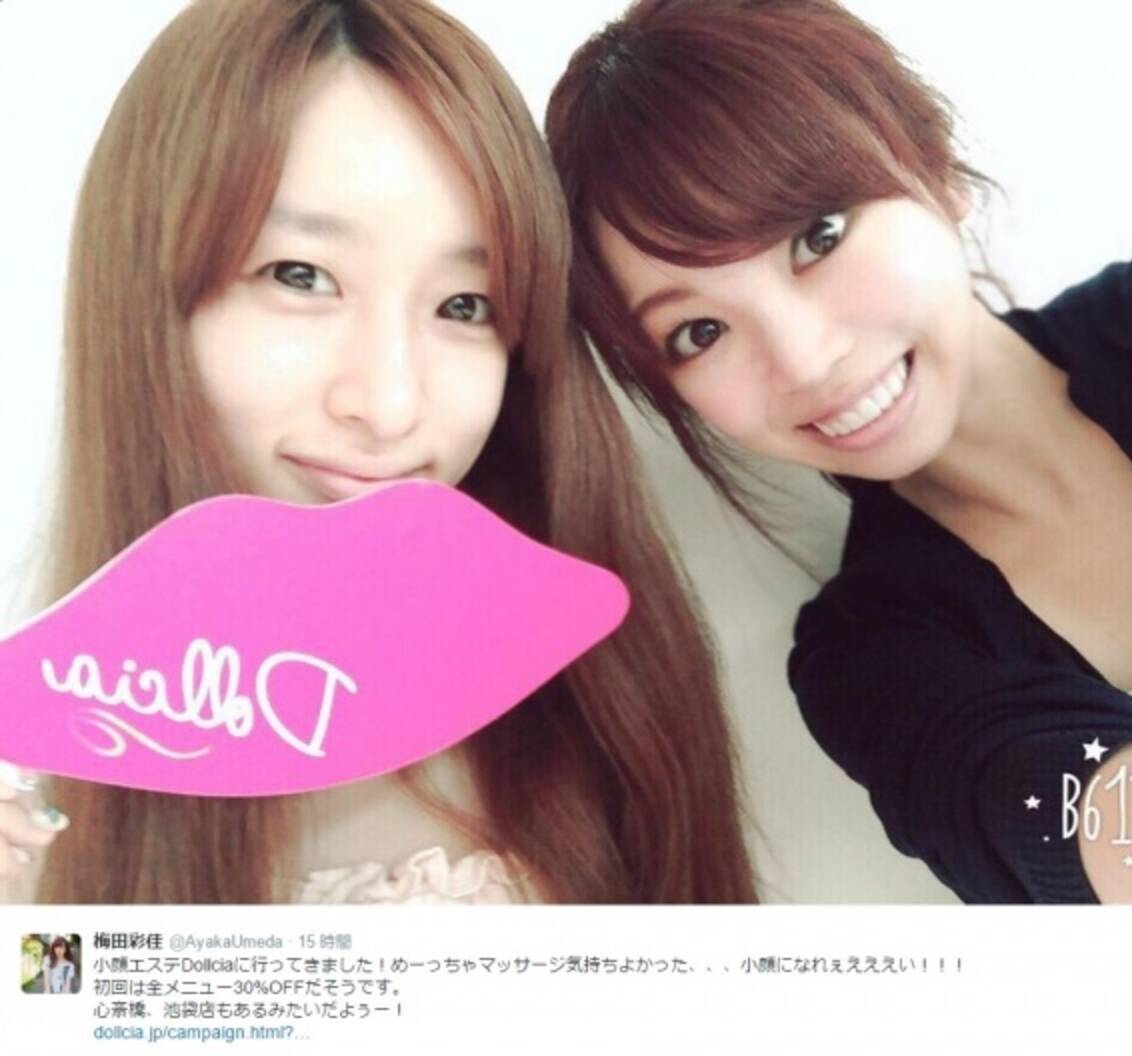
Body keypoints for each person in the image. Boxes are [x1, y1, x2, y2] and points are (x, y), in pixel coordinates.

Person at [0, 0, 757, 904]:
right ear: (148, 295)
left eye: (464, 305)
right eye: (301, 276)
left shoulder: (607, 698)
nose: (391, 405)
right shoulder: (38, 779)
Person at [545, 0, 1132, 903]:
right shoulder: (875, 659)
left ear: (937, 169)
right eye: (699, 332)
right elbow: (1079, 819)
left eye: (817, 238)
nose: (803, 360)